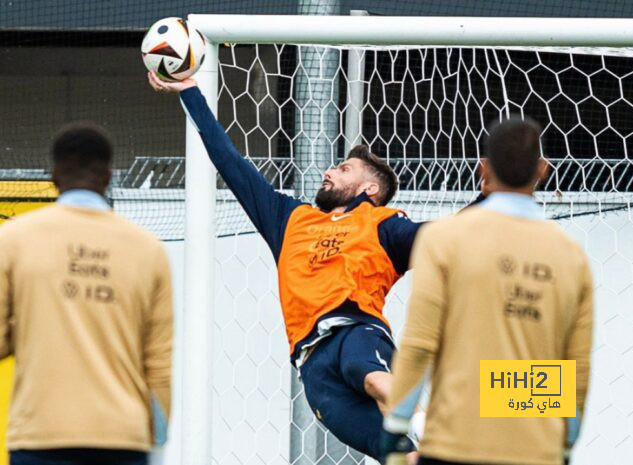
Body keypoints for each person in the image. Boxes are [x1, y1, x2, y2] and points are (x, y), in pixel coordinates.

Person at [149, 72, 488, 459]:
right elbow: (230, 162)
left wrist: (494, 195)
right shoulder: (289, 219)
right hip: (312, 366)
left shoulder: (385, 225)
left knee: (376, 381)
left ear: (369, 190)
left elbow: (452, 235)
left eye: (343, 169)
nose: (329, 171)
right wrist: (190, 92)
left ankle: (435, 427)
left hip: (355, 332)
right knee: (397, 455)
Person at [380, 118, 593, 465]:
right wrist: (566, 441)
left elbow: (421, 343)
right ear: (543, 170)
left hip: (456, 441)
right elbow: (576, 364)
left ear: (484, 168)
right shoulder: (570, 255)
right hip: (534, 447)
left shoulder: (445, 240)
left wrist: (395, 429)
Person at [0, 123, 174, 465]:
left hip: (40, 433)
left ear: (54, 178)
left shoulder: (14, 239)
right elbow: (159, 362)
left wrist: (35, 321)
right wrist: (157, 440)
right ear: (108, 176)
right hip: (122, 437)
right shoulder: (148, 250)